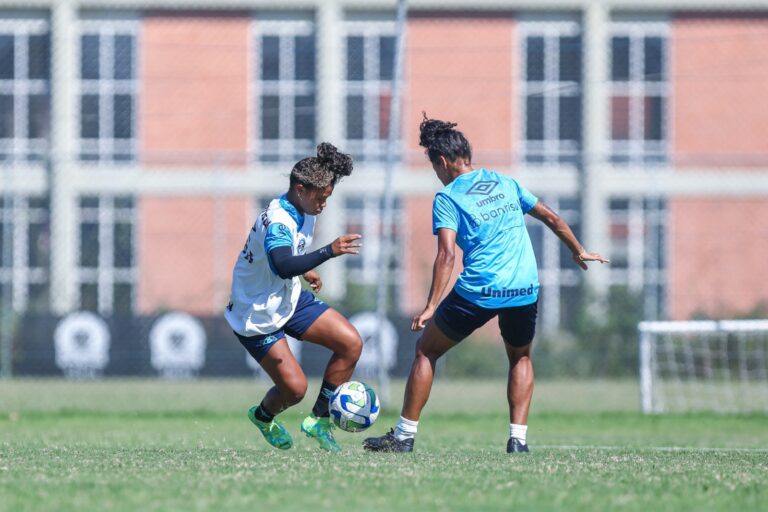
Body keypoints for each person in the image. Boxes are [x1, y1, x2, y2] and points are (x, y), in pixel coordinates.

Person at [363, 115, 608, 454]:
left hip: (480, 289)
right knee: (520, 357)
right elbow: (551, 216)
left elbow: (447, 256)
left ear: (444, 162)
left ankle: (404, 437)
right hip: (524, 286)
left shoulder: (448, 198)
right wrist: (578, 250)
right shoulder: (504, 182)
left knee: (426, 350)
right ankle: (518, 441)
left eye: (435, 167)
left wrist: (432, 305)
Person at [225, 142, 364, 453]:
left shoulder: (304, 208)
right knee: (295, 389)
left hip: (288, 296)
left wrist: (305, 272)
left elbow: (288, 261)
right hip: (255, 314)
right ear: (300, 189)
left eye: (328, 197)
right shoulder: (279, 221)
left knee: (351, 343)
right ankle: (263, 417)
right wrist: (329, 251)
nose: (324, 204)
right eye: (320, 197)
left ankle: (319, 420)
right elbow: (283, 264)